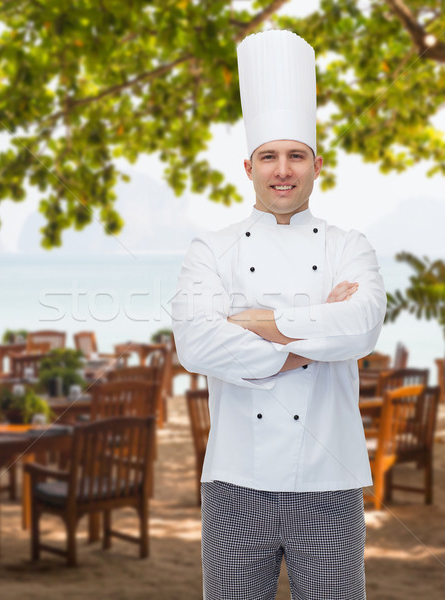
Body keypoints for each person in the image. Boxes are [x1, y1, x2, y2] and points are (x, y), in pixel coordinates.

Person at [172, 30, 387, 600]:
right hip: (235, 483)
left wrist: (254, 322)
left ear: (318, 164)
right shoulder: (211, 249)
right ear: (249, 166)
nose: (282, 170)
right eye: (269, 156)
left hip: (331, 482)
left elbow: (361, 326)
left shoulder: (350, 244)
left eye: (296, 155)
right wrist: (315, 335)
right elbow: (196, 347)